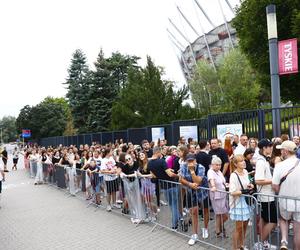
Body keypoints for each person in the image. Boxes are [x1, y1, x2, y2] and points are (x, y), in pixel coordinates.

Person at [272, 140, 300, 250]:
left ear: (286, 151)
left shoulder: (279, 165)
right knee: (298, 231)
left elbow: (275, 186)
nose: (281, 152)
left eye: (282, 150)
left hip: (284, 200)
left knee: (283, 219)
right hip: (298, 201)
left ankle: (284, 240)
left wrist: (281, 189)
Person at [180, 153, 209, 245]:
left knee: (205, 210)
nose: (191, 162)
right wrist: (190, 184)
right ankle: (194, 234)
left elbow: (198, 181)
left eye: (192, 160)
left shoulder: (201, 167)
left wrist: (192, 171)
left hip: (202, 191)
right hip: (191, 191)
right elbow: (181, 179)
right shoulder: (183, 167)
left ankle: (205, 228)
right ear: (186, 161)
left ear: (195, 161)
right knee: (194, 211)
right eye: (189, 161)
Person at [148, 146, 179, 229]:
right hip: (172, 185)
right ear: (157, 152)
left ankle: (177, 220)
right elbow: (170, 174)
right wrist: (178, 175)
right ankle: (175, 224)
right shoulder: (161, 161)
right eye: (160, 152)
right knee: (174, 205)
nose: (161, 154)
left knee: (172, 205)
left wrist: (165, 171)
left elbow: (153, 175)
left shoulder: (149, 163)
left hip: (164, 186)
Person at [255, 138, 277, 249]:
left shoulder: (263, 160)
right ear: (264, 148)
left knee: (264, 219)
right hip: (265, 197)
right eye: (270, 146)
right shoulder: (260, 162)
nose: (271, 148)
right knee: (273, 221)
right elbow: (258, 180)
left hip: (267, 196)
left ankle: (263, 243)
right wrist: (274, 181)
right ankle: (260, 243)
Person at [229, 155, 254, 250]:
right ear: (235, 164)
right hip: (238, 203)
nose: (243, 162)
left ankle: (241, 245)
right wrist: (243, 191)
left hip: (246, 202)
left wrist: (250, 185)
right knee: (238, 228)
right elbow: (232, 192)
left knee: (245, 226)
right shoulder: (233, 175)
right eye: (240, 161)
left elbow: (247, 184)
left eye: (243, 160)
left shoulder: (246, 171)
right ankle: (235, 248)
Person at [207, 155, 229, 239]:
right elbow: (211, 180)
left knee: (223, 215)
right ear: (212, 164)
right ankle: (218, 230)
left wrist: (226, 184)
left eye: (220, 164)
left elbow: (222, 181)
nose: (219, 166)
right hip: (216, 196)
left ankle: (219, 229)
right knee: (220, 215)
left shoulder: (219, 172)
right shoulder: (210, 171)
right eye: (217, 164)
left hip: (223, 195)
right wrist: (213, 186)